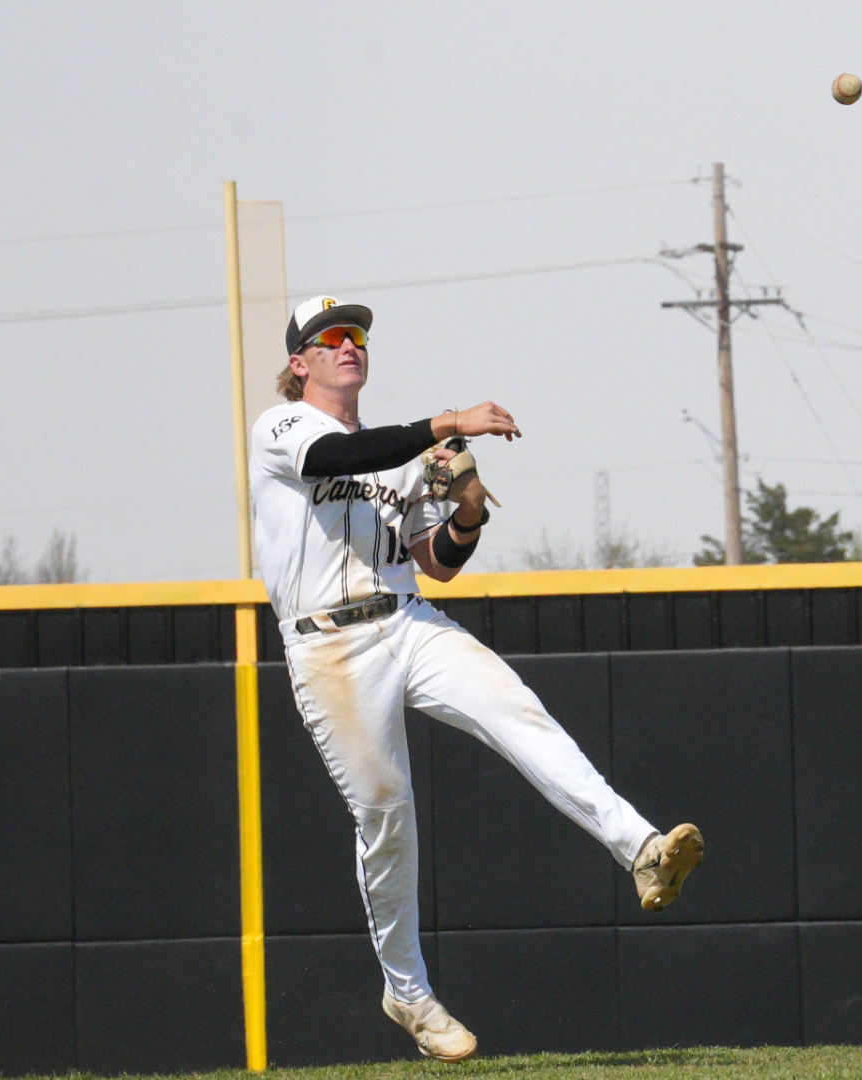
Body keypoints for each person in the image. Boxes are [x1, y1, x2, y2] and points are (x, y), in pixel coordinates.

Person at [249, 295, 705, 1062]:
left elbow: (436, 562)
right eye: (330, 338)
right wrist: (449, 422)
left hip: (407, 617)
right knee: (387, 816)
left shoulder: (401, 455)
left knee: (515, 709)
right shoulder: (281, 427)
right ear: (300, 363)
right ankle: (408, 992)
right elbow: (334, 459)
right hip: (329, 646)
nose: (348, 345)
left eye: (356, 335)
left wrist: (466, 514)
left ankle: (643, 850)